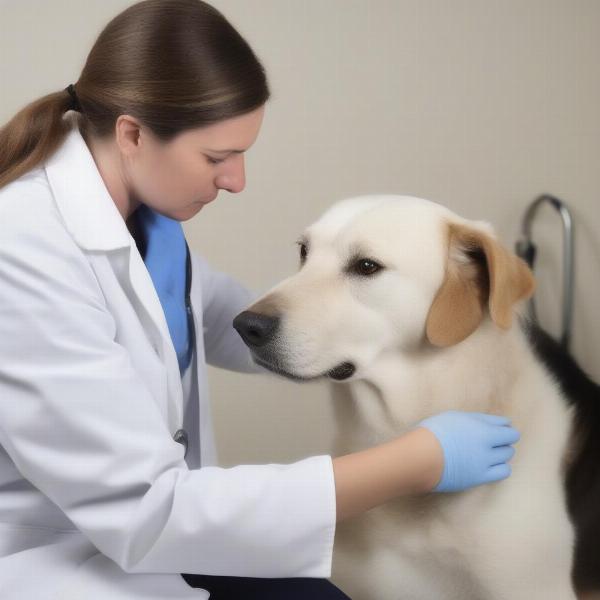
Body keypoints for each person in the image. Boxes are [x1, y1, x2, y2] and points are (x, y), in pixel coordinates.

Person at [0, 1, 520, 599]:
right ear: (133, 133)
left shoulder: (143, 221)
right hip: (67, 558)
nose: (236, 180)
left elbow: (232, 320)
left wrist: (372, 327)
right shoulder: (26, 250)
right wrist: (419, 460)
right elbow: (147, 511)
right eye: (217, 158)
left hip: (172, 539)